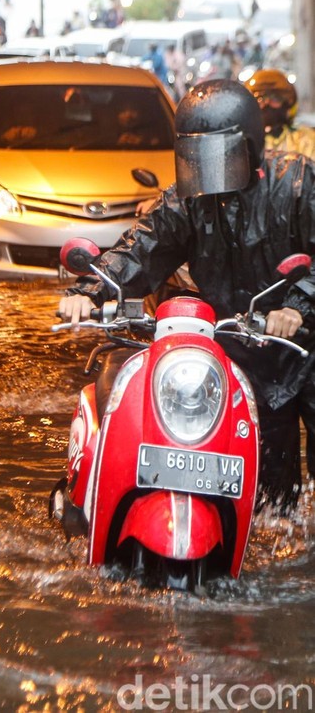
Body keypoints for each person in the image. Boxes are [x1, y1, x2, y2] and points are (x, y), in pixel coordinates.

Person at [58, 79, 315, 509]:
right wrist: (92, 287)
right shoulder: (188, 200)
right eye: (197, 158)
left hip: (307, 346)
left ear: (250, 147)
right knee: (271, 498)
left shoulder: (297, 182)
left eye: (221, 157)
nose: (209, 170)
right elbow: (143, 245)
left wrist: (298, 304)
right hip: (245, 349)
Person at [245, 68, 315, 156]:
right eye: (260, 99)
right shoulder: (244, 141)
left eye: (274, 98)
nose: (266, 103)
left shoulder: (305, 138)